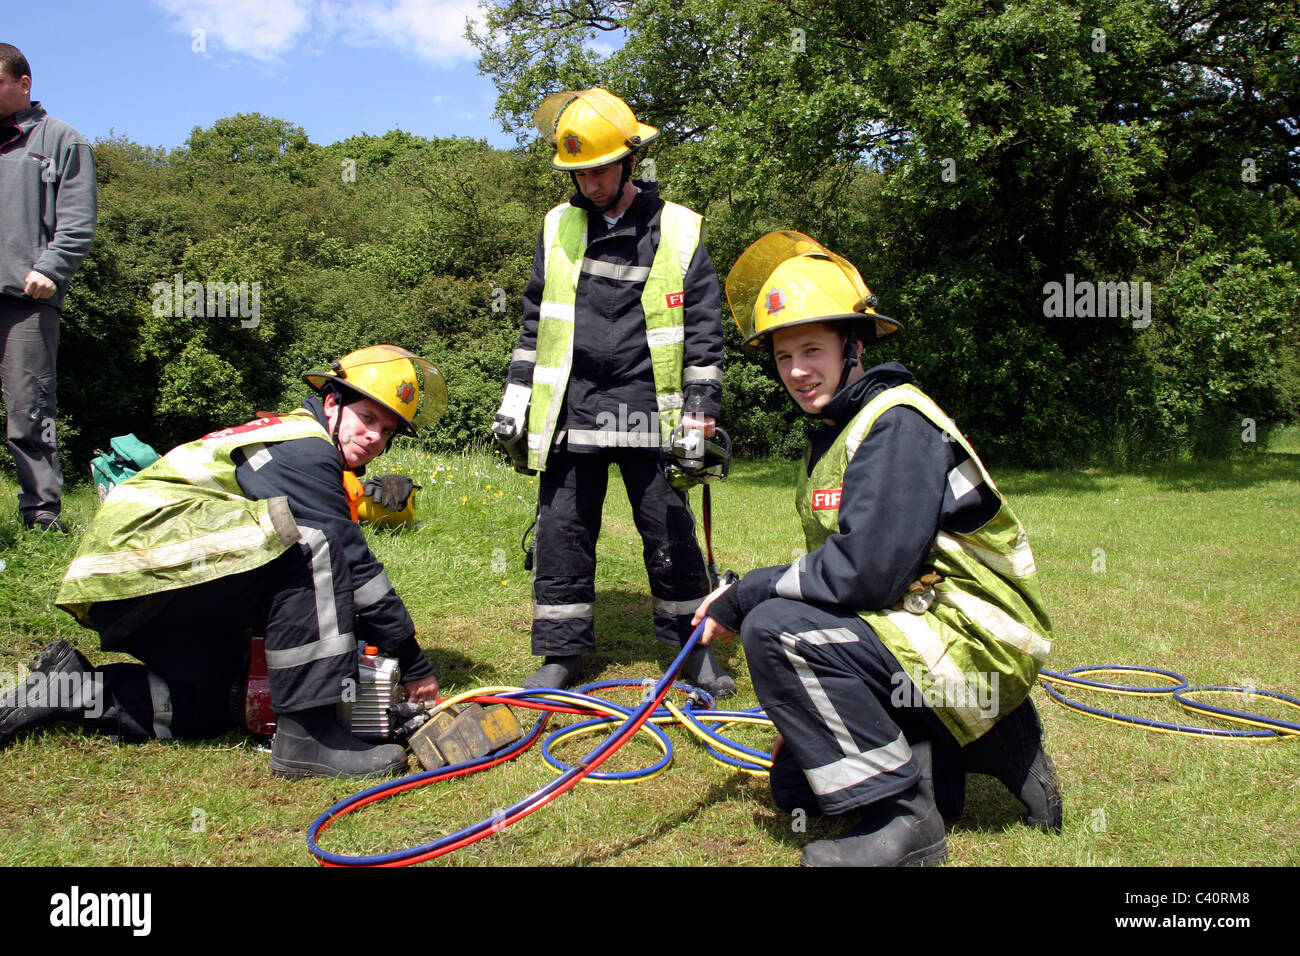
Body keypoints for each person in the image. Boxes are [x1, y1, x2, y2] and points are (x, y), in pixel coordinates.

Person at [694, 232, 1062, 865]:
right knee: (794, 788)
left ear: (854, 346)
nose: (798, 371)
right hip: (925, 629)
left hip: (972, 637)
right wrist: (806, 714)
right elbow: (853, 577)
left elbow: (866, 574)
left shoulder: (897, 423)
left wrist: (747, 594)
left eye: (813, 350)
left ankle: (904, 818)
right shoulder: (845, 425)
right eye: (784, 357)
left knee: (777, 629)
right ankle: (974, 750)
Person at [1, 346, 447, 780]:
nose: (375, 438)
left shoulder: (293, 439)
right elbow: (353, 565)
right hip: (148, 567)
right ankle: (308, 737)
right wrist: (411, 662)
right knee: (313, 543)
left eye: (387, 432)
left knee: (234, 700)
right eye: (368, 419)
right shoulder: (305, 451)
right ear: (333, 403)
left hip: (145, 582)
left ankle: (71, 690)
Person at [496, 88, 732, 695]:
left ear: (630, 161)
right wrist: (516, 398)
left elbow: (704, 330)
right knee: (562, 532)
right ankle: (559, 652)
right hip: (573, 409)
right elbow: (535, 323)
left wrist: (702, 411)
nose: (591, 183)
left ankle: (691, 651)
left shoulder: (677, 229)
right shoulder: (557, 226)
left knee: (669, 531)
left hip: (652, 408)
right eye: (579, 173)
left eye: (600, 169)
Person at [0, 43, 97, 532]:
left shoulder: (62, 140)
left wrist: (51, 267)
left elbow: (78, 223)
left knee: (30, 409)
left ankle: (41, 515)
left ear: (23, 82)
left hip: (24, 300)